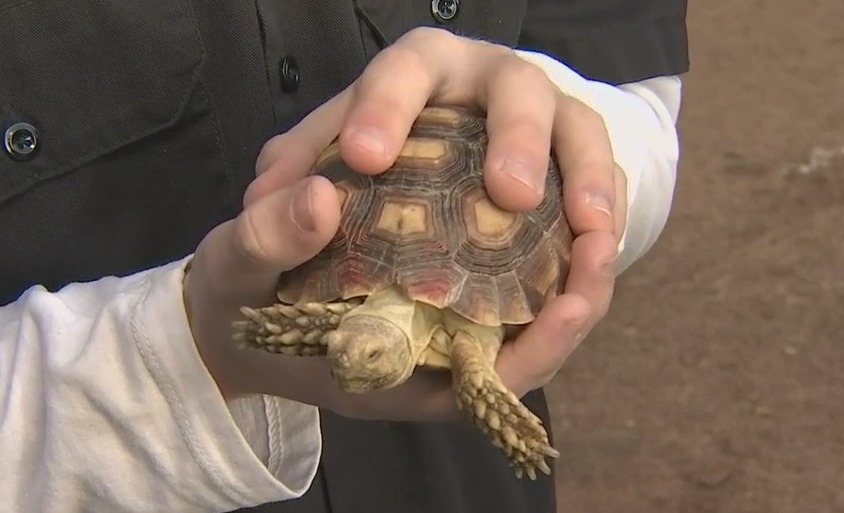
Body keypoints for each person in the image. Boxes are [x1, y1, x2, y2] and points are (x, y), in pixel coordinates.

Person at [0, 1, 687, 512]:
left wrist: (569, 141)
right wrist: (188, 351)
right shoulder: (366, 333)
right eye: (361, 351)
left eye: (360, 353)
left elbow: (630, 94)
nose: (353, 360)